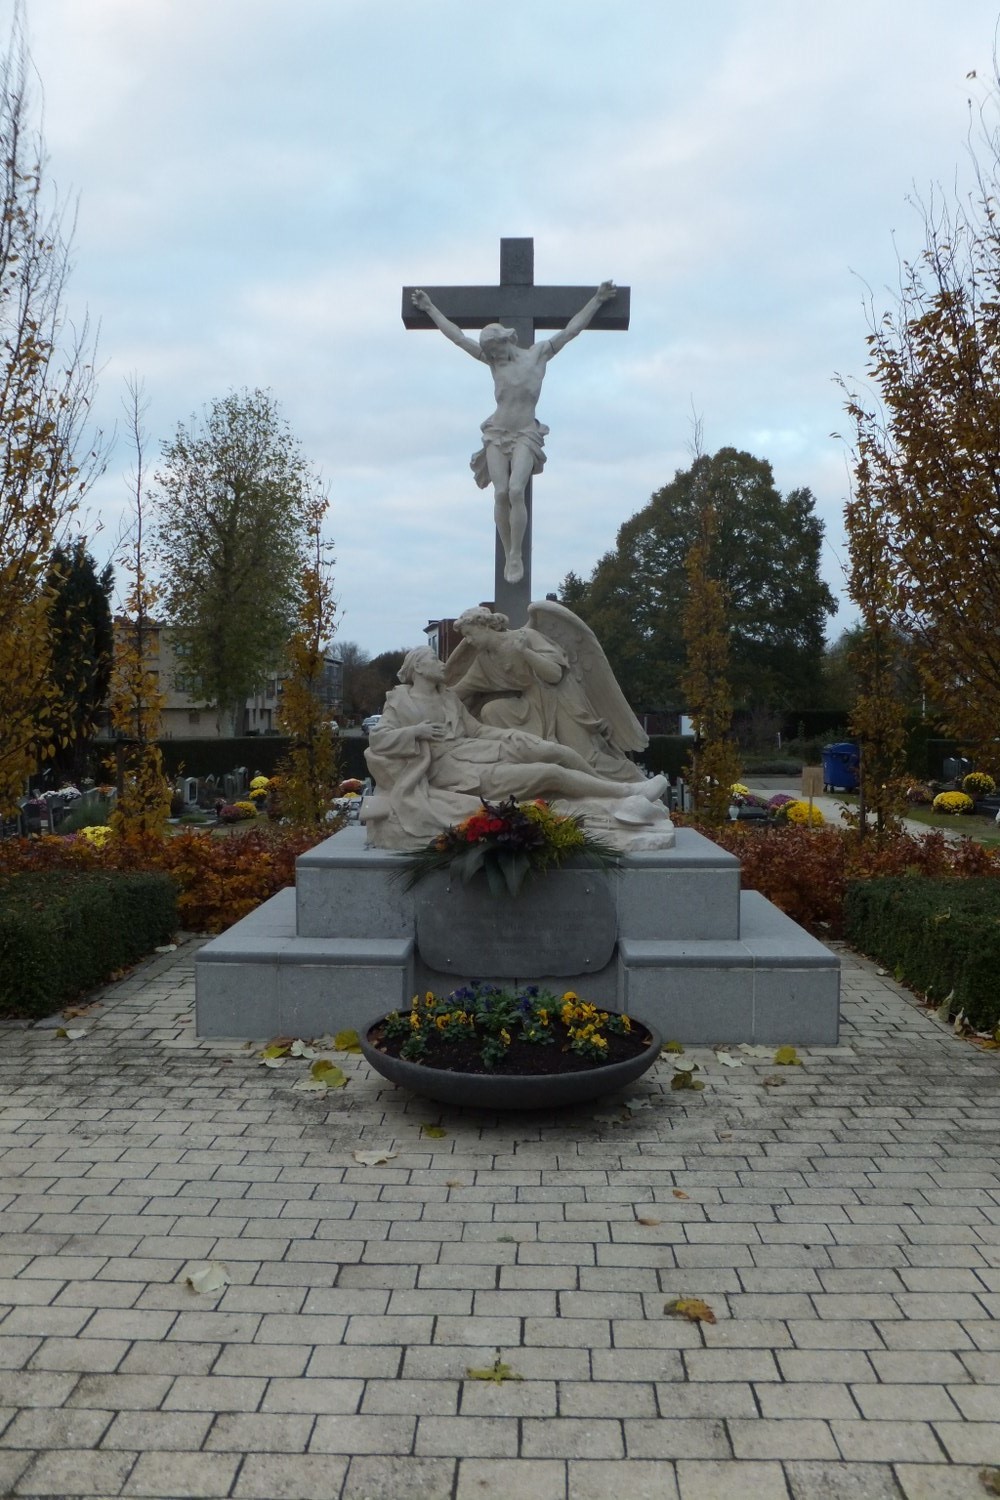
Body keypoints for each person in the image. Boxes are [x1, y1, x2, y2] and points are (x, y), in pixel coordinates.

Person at [411, 280, 618, 583]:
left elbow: (571, 330)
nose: (493, 357)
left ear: (506, 341)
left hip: (524, 434)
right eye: (489, 354)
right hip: (497, 433)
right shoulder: (493, 363)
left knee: (516, 490)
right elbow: (458, 337)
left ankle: (516, 554)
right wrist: (430, 308)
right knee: (500, 493)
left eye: (495, 351)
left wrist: (597, 300)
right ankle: (509, 553)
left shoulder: (539, 354)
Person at [364, 647, 667, 848]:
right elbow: (379, 739)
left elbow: (476, 730)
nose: (442, 664)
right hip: (454, 771)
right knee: (549, 774)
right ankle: (625, 794)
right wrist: (415, 732)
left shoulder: (448, 698)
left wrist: (510, 735)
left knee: (554, 752)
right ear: (418, 667)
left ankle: (619, 787)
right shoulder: (400, 702)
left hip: (475, 749)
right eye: (434, 659)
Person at [446, 605, 646, 784]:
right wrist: (428, 695)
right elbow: (460, 690)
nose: (468, 641)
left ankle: (634, 784)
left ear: (484, 626)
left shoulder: (526, 636)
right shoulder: (484, 661)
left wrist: (526, 652)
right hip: (531, 704)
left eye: (470, 634)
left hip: (559, 698)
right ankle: (528, 769)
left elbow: (555, 674)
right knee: (492, 710)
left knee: (586, 758)